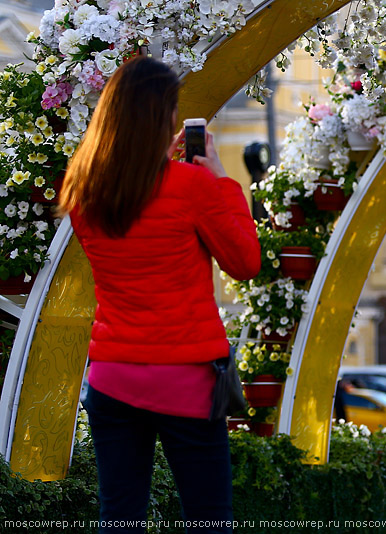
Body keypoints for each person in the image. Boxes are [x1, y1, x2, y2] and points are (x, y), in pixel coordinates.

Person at [60, 57, 261, 533]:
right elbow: (245, 263)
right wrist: (219, 180)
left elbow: (140, 216)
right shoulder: (193, 187)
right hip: (186, 378)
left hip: (112, 377)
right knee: (209, 519)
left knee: (120, 516)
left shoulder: (84, 190)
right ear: (166, 116)